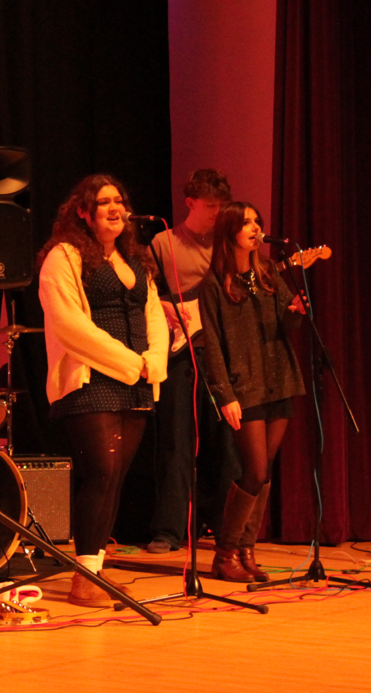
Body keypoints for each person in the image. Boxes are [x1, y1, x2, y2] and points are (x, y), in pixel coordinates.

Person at [37, 174, 169, 607]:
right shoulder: (66, 256)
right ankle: (82, 577)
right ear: (83, 212)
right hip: (91, 378)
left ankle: (95, 570)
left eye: (120, 201)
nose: (115, 208)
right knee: (101, 472)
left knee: (117, 478)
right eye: (104, 202)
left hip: (135, 381)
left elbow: (154, 314)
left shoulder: (135, 257)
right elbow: (69, 325)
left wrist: (155, 362)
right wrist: (133, 363)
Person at [199, 202, 305, 582]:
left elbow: (283, 325)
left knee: (264, 472)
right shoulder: (214, 284)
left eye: (257, 221)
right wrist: (224, 394)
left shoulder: (267, 275)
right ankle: (224, 553)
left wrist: (295, 310)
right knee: (254, 469)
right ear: (230, 231)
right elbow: (211, 344)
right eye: (246, 222)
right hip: (245, 387)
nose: (255, 227)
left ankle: (246, 550)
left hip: (278, 378)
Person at [147, 169, 240, 553]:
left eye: (222, 207)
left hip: (222, 350)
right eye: (211, 207)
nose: (218, 214)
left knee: (229, 442)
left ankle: (227, 529)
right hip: (179, 349)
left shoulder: (230, 244)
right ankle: (170, 530)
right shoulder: (163, 242)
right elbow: (145, 294)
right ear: (190, 203)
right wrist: (166, 306)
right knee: (176, 440)